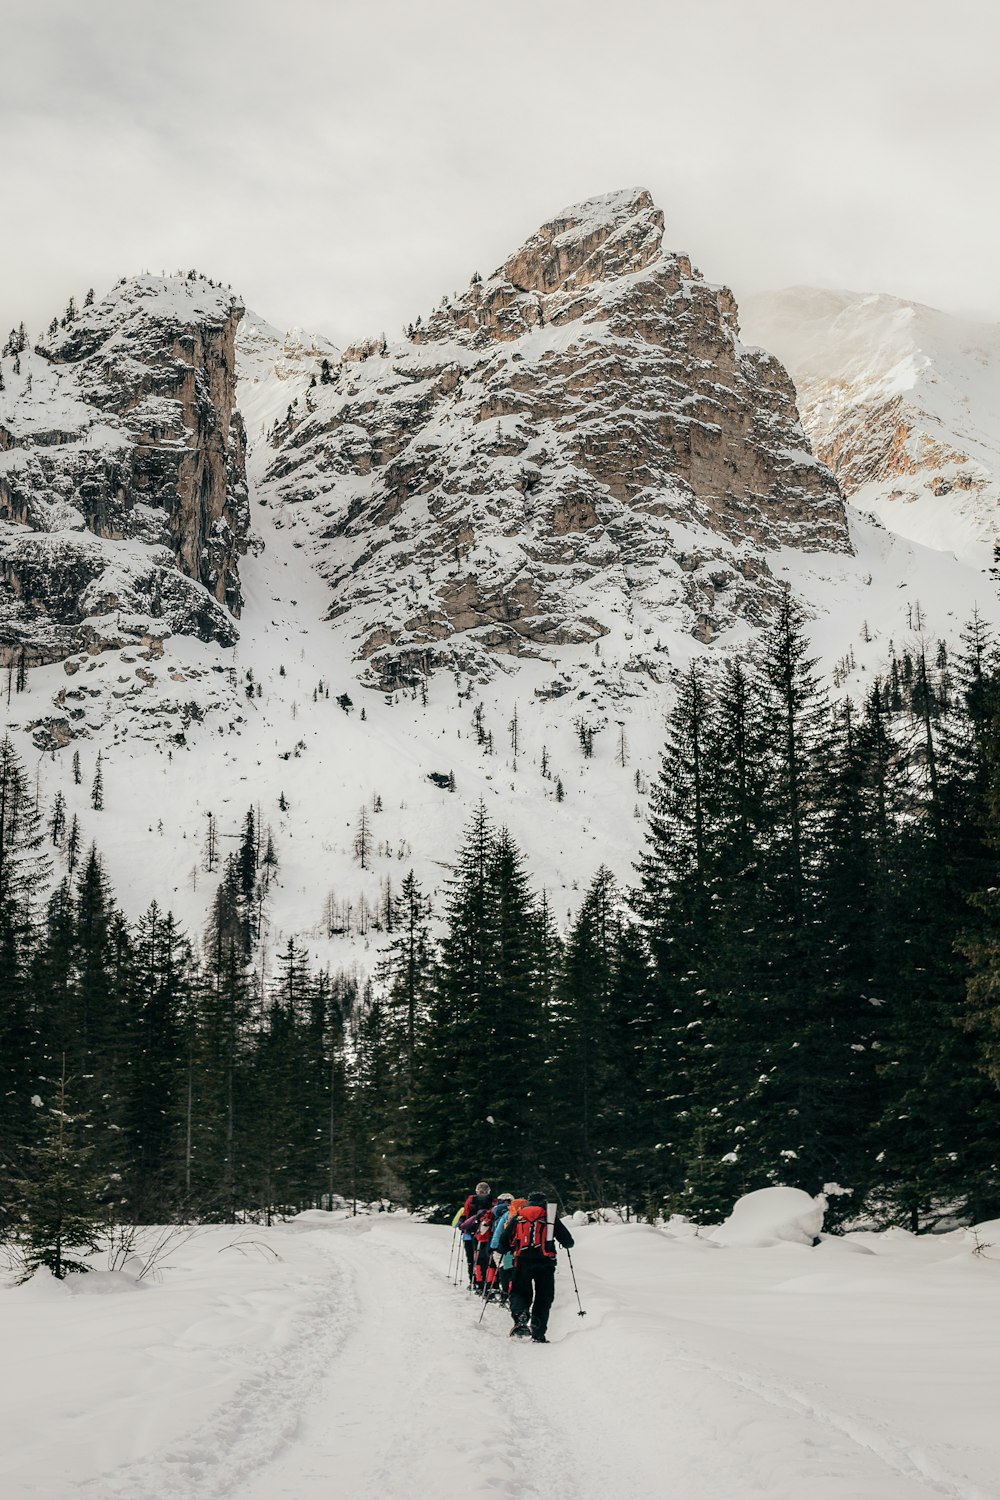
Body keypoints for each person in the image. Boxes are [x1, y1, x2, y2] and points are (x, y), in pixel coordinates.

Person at [498, 1191, 574, 1342]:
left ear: (529, 1202)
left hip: (521, 1262)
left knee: (519, 1292)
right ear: (544, 1202)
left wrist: (507, 1249)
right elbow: (568, 1242)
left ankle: (521, 1316)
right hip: (545, 1264)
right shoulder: (549, 1217)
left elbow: (503, 1242)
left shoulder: (519, 1216)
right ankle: (538, 1331)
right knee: (544, 1297)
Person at [453, 1181, 493, 1286]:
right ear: (488, 1191)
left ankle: (473, 1281)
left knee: (471, 1258)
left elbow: (466, 1213)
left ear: (477, 1191)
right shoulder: (492, 1200)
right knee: (484, 1258)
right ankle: (485, 1281)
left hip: (469, 1233)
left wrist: (463, 1223)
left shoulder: (471, 1200)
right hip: (485, 1234)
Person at [489, 1193, 519, 1304]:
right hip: (520, 1247)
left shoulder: (503, 1213)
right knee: (515, 1270)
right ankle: (517, 1295)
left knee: (505, 1269)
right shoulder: (521, 1213)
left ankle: (506, 1294)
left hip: (505, 1247)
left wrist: (493, 1246)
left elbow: (498, 1231)